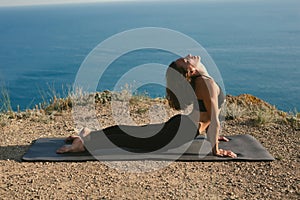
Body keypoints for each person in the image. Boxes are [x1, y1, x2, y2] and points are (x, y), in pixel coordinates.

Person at [57, 55, 237, 158]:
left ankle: (89, 134)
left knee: (137, 133)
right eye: (185, 59)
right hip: (183, 130)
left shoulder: (201, 78)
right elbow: (214, 119)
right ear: (191, 70)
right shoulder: (206, 83)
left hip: (183, 125)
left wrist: (213, 136)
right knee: (137, 140)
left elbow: (209, 116)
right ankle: (85, 143)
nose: (189, 56)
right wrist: (216, 150)